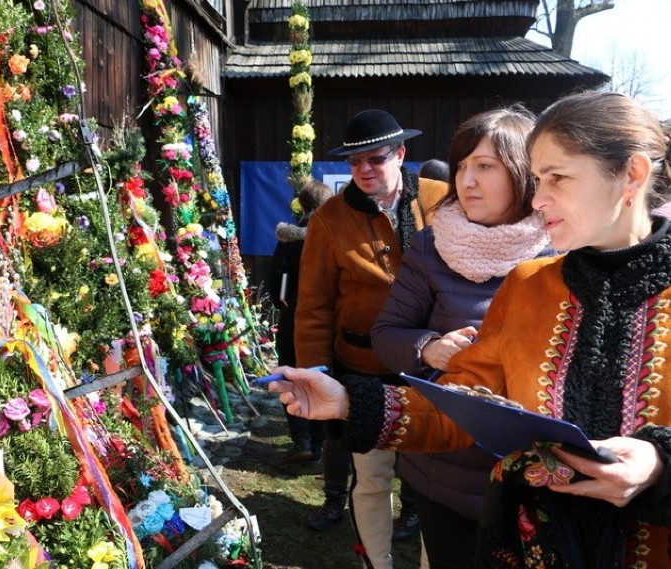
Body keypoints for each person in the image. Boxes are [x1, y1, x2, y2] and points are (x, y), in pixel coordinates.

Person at [271, 91, 671, 567]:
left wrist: (659, 465)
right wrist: (347, 400)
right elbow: (461, 406)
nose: (538, 198)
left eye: (557, 178)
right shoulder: (528, 286)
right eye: (538, 179)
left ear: (632, 174)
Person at [371, 106, 552, 568]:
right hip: (445, 471)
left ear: (524, 174)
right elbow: (387, 333)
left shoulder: (564, 247)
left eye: (485, 166)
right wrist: (429, 347)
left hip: (537, 476)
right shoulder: (431, 246)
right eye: (463, 166)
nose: (467, 180)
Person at [294, 109, 447, 568]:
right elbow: (313, 305)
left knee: (433, 482)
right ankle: (376, 564)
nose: (363, 169)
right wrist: (315, 372)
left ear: (401, 154)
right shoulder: (329, 219)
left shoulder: (442, 199)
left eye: (375, 159)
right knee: (374, 477)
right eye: (354, 160)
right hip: (364, 370)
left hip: (434, 366)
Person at [269, 179, 332, 462]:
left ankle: (302, 441)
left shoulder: (289, 239)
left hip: (293, 319)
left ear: (303, 204)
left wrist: (285, 300)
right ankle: (319, 444)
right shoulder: (333, 235)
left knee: (291, 376)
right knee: (321, 378)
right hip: (326, 321)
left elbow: (277, 282)